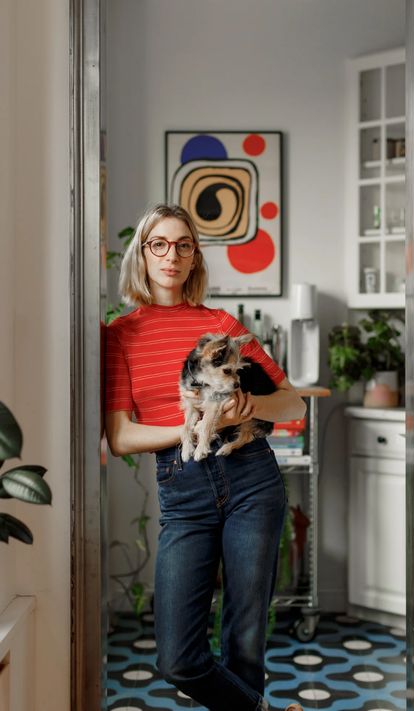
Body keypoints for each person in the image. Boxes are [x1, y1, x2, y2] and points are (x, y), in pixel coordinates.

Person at [105, 203, 306, 711]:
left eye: (183, 245)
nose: (171, 255)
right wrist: (192, 424)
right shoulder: (120, 334)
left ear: (195, 257)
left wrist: (247, 407)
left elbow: (292, 401)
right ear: (142, 254)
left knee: (245, 642)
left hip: (251, 479)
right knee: (178, 658)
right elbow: (122, 437)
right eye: (159, 244)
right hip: (185, 484)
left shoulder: (221, 323)